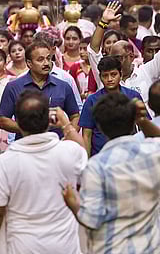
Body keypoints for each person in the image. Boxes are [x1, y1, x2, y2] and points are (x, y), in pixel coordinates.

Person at [0, 90, 87, 254]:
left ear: (18, 124)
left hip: (23, 246)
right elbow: (83, 152)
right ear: (48, 121)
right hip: (64, 246)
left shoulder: (5, 163)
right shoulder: (70, 152)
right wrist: (65, 124)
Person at [62, 92, 160, 253]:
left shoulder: (96, 167)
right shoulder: (153, 152)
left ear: (99, 127)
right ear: (132, 122)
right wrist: (141, 121)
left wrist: (73, 203)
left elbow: (91, 219)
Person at [89, 1, 160, 114]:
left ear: (131, 56)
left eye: (118, 57)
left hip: (145, 129)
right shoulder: (105, 75)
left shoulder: (146, 71)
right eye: (113, 57)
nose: (114, 61)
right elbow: (93, 49)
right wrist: (103, 22)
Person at [0, 41, 80, 139]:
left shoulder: (63, 86)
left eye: (48, 58)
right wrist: (28, 130)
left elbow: (75, 116)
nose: (46, 63)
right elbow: (3, 120)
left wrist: (68, 136)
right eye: (40, 60)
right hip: (26, 147)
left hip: (56, 147)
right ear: (29, 63)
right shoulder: (13, 87)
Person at [80, 56, 145, 156]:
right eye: (105, 76)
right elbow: (87, 135)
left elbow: (143, 125)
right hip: (100, 155)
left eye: (113, 74)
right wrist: (86, 162)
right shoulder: (91, 100)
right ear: (100, 77)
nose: (109, 79)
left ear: (121, 74)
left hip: (130, 154)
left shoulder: (133, 96)